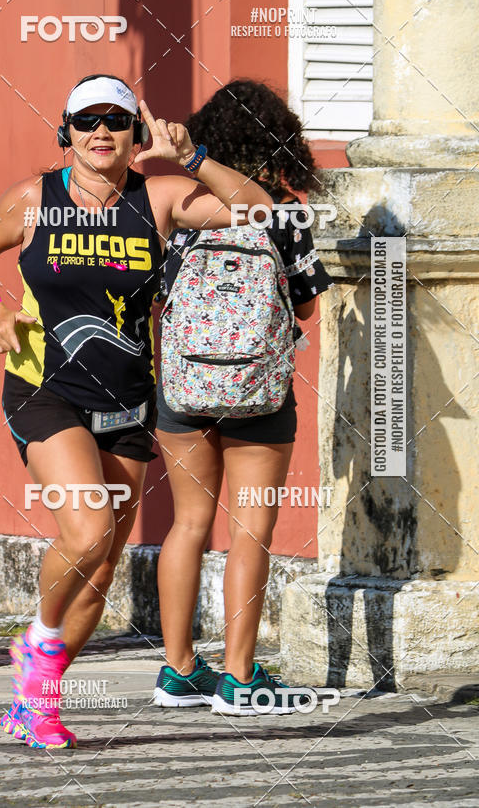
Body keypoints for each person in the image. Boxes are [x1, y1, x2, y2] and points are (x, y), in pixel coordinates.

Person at [0, 73, 275, 748]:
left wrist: (192, 158)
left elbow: (260, 212)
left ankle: (37, 703)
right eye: (86, 121)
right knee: (86, 532)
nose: (100, 131)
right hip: (45, 388)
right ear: (66, 131)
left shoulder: (159, 197)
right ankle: (38, 651)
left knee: (103, 566)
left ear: (134, 132)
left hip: (130, 400)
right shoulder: (34, 198)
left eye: (115, 119)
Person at [153, 79, 333, 716]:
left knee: (188, 525)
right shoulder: (281, 210)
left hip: (183, 387)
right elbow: (308, 307)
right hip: (260, 391)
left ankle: (177, 672)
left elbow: (156, 296)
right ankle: (238, 676)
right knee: (249, 530)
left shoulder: (181, 205)